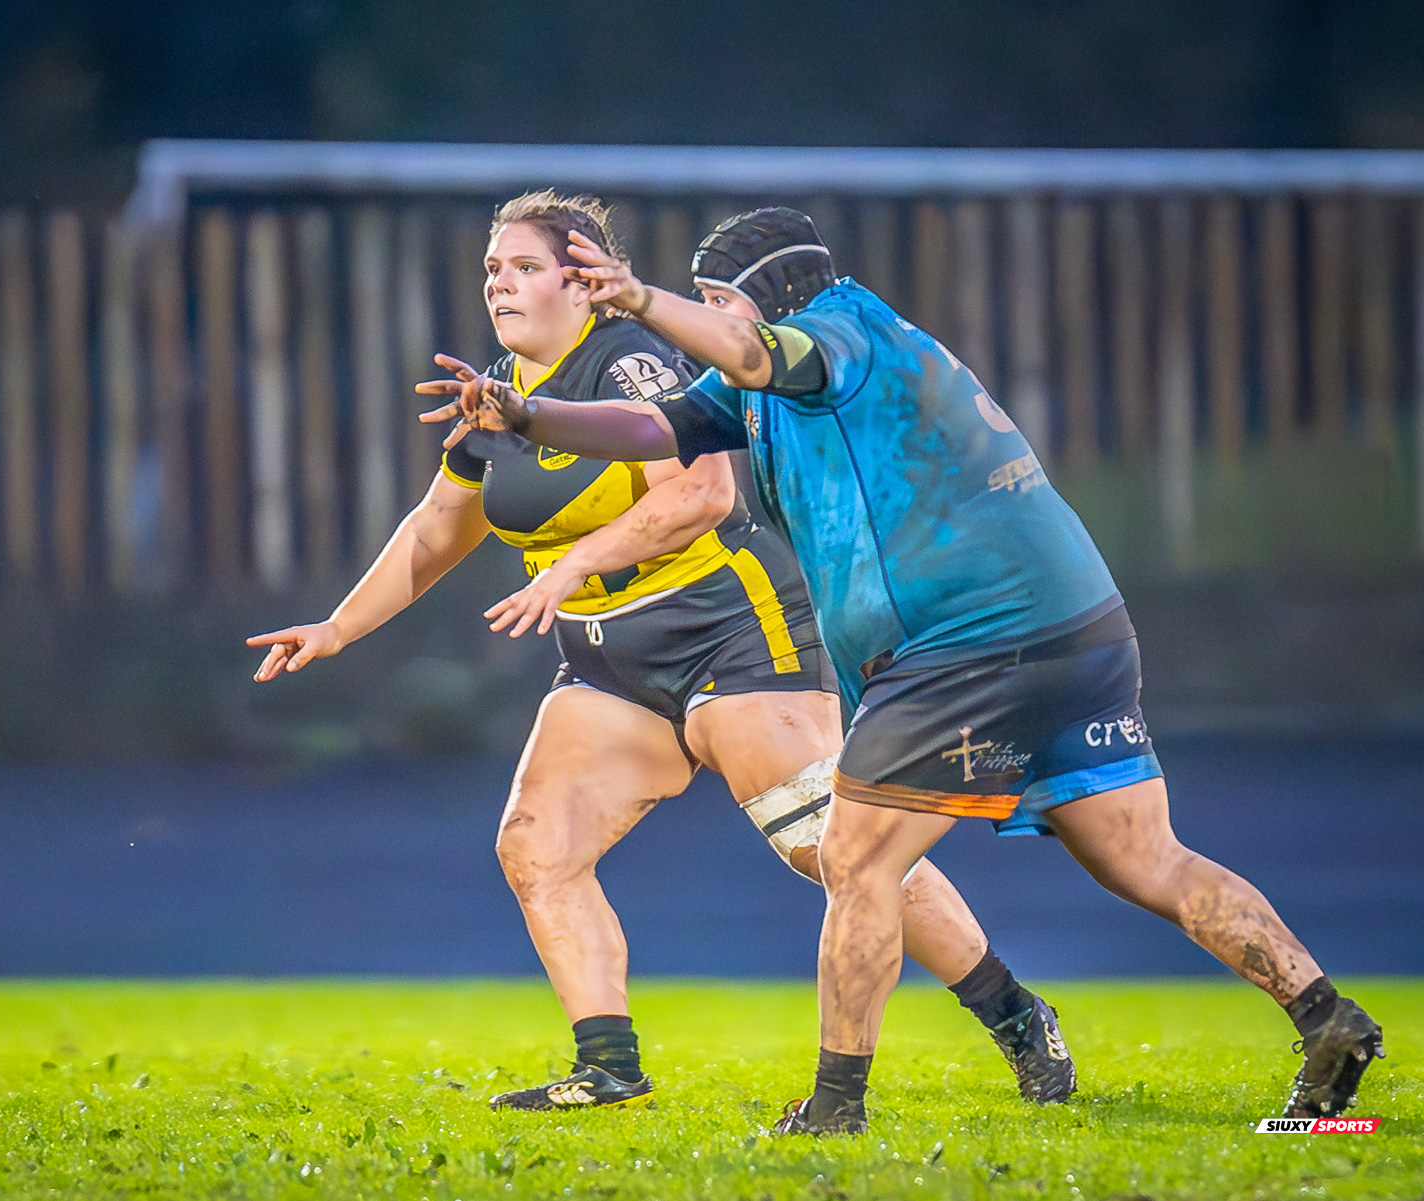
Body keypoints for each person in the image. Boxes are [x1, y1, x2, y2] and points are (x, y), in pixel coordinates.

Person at [417, 206, 1384, 1135]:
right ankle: (1325, 1016)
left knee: (856, 857)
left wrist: (638, 299)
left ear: (773, 293)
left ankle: (838, 1103)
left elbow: (759, 355)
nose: (711, 320)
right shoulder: (774, 369)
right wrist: (527, 413)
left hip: (968, 640)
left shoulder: (840, 334)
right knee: (1142, 856)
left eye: (721, 299)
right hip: (1076, 626)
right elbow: (652, 429)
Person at [251, 192, 1076, 1113]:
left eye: (524, 266)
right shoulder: (501, 389)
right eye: (492, 269)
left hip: (728, 628)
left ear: (583, 277)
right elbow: (437, 527)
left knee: (831, 850)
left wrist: (571, 565)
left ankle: (1014, 1012)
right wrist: (336, 627)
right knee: (536, 847)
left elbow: (703, 492)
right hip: (609, 658)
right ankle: (608, 1067)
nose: (500, 284)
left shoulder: (631, 361)